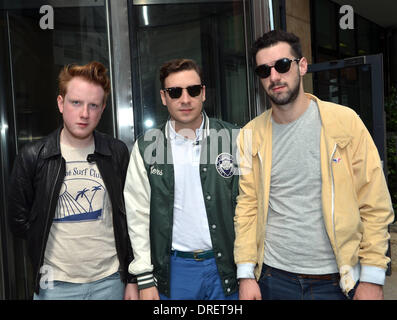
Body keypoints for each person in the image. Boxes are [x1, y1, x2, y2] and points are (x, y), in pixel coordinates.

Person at [234, 30, 394, 300]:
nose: (274, 77)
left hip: (337, 280)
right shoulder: (250, 134)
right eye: (264, 70)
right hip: (274, 278)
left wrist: (372, 277)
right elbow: (247, 207)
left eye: (283, 65)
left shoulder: (345, 122)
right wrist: (246, 274)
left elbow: (374, 203)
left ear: (302, 66)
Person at [8, 61, 138, 300]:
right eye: (76, 102)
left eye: (93, 105)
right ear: (60, 103)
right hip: (54, 286)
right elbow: (19, 221)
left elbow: (129, 218)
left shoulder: (116, 152)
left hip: (110, 283)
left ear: (103, 109)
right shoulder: (33, 156)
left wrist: (131, 279)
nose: (84, 114)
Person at [124, 58, 239, 300]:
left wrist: (248, 271)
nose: (185, 99)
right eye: (175, 92)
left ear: (203, 93)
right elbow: (137, 215)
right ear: (164, 97)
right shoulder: (147, 147)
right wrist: (144, 278)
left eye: (193, 90)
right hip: (174, 271)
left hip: (227, 267)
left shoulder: (233, 138)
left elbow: (249, 210)